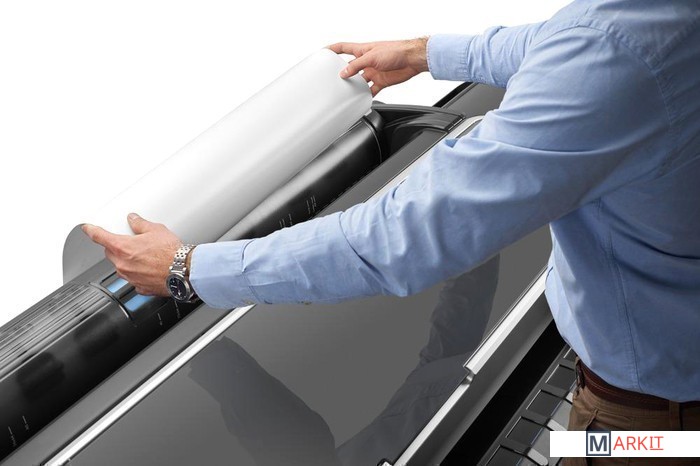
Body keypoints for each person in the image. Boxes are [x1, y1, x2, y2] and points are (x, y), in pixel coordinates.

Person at [82, 0, 700, 464]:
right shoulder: (653, 27)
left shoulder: (617, 55)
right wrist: (427, 52)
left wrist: (186, 267)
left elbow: (397, 239)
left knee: (606, 450)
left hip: (654, 428)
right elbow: (579, 44)